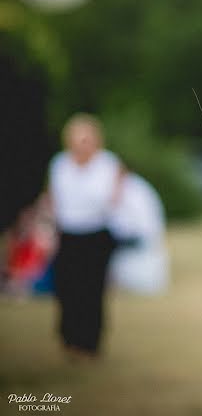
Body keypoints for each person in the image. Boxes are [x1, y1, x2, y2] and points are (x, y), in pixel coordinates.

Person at [47, 113, 124, 359]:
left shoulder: (107, 164)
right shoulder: (59, 164)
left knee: (92, 289)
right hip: (68, 234)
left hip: (96, 234)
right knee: (67, 289)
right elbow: (55, 199)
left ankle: (91, 341)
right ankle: (69, 337)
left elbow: (109, 199)